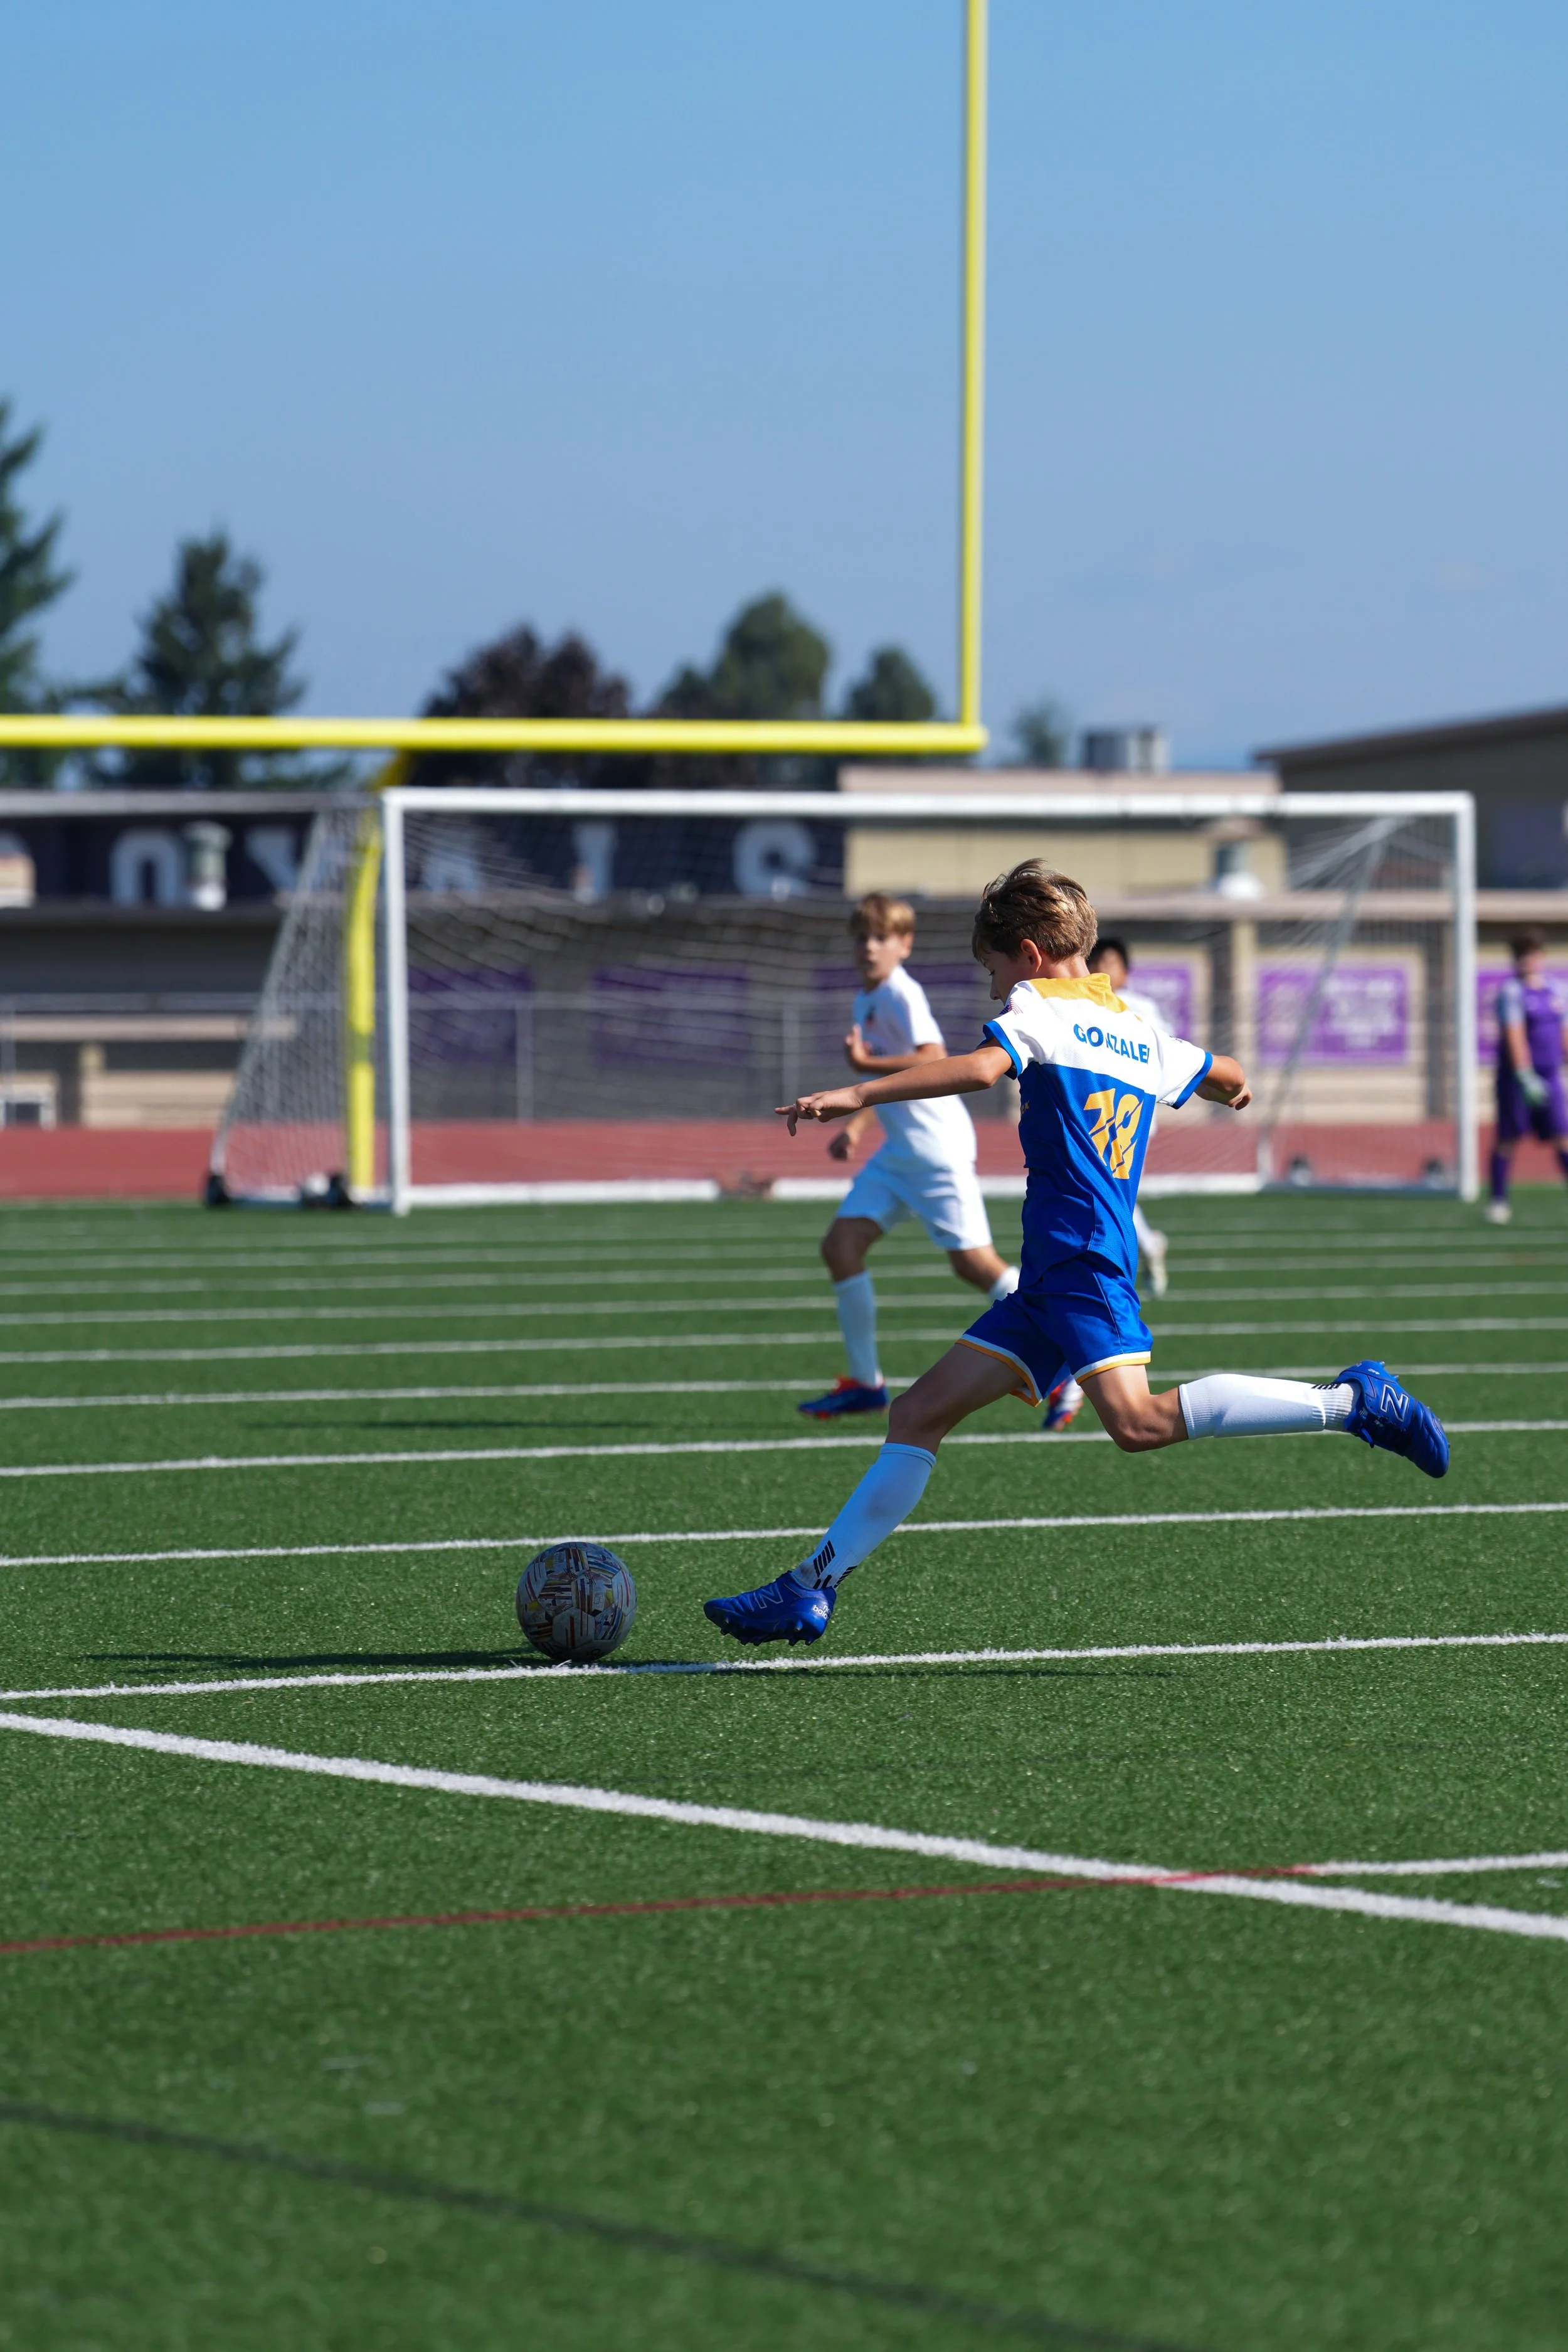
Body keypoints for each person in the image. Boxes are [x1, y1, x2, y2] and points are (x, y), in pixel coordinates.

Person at [704, 861, 1448, 1648]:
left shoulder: (1040, 1011)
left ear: (1026, 955)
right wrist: (1227, 1088)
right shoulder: (1134, 1029)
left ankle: (1352, 1403)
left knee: (1138, 1423)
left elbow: (981, 1068)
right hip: (1056, 1274)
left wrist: (856, 1095)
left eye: (992, 970)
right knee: (918, 1411)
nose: (993, 991)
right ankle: (809, 1588)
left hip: (1084, 1265)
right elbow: (1225, 1072)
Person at [795, 891, 1018, 1420]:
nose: (869, 948)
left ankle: (1062, 1348)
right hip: (900, 1155)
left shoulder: (900, 992)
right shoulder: (865, 999)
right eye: (862, 937)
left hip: (937, 1153)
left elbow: (932, 1058)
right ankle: (866, 1383)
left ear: (905, 945)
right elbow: (890, 1083)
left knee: (975, 1266)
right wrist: (859, 1125)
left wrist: (863, 1061)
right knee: (840, 1247)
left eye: (882, 938)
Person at [1040, 934, 1168, 1434]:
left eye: (1116, 961)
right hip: (1060, 1240)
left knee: (1135, 1420)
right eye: (1102, 962)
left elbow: (1180, 1062)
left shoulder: (1138, 1012)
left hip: (1123, 1115)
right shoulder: (1067, 1005)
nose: (1108, 968)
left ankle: (1346, 1406)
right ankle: (1148, 1242)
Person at [1486, 929, 1568, 1226]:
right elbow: (1515, 1035)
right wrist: (1524, 1074)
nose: (1528, 961)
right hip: (1518, 1078)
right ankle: (1498, 1201)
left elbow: (1564, 1034)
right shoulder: (1511, 992)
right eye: (1521, 956)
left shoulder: (1558, 990)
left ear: (1542, 958)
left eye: (1532, 955)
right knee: (1507, 1138)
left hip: (1550, 1074)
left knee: (1562, 1137)